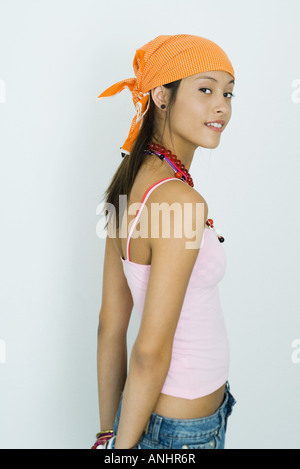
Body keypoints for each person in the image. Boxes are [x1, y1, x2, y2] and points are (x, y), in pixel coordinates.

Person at [92, 34, 237, 450]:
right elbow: (149, 352)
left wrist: (109, 432)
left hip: (145, 420)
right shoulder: (182, 202)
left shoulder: (125, 187)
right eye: (205, 89)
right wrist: (122, 453)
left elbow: (110, 324)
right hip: (182, 432)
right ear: (160, 95)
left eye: (228, 92)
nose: (222, 106)